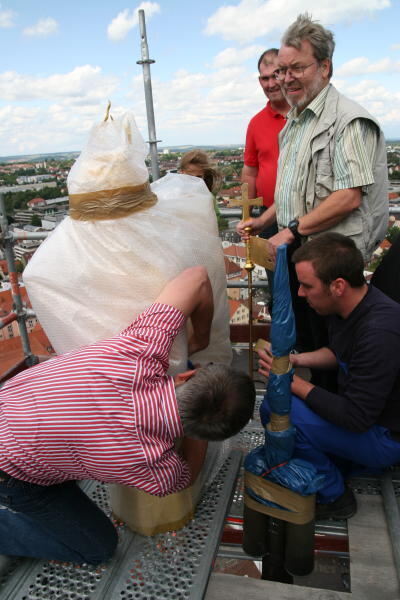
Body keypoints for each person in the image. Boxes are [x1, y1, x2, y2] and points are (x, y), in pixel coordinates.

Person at [0, 266, 255, 564]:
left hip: (11, 414)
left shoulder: (139, 352)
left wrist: (199, 340)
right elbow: (186, 477)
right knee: (98, 548)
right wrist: (198, 432)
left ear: (186, 376)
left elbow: (196, 276)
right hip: (12, 473)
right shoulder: (153, 464)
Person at [238, 13, 388, 382]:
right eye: (282, 69)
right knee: (303, 344)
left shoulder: (347, 121)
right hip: (301, 257)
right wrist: (268, 221)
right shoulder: (296, 121)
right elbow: (292, 193)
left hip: (330, 265)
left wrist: (289, 230)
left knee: (336, 356)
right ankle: (310, 423)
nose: (286, 78)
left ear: (325, 66)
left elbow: (348, 198)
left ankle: (340, 428)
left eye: (297, 68)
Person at [258, 234, 400, 519]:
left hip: (386, 438)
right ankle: (342, 462)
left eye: (307, 286)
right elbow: (339, 353)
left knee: (275, 407)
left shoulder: (379, 331)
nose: (300, 293)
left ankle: (335, 496)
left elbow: (355, 417)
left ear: (338, 286)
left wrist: (292, 382)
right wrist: (294, 360)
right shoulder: (355, 305)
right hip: (369, 423)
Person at [242, 48, 290, 239]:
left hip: (305, 212)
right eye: (264, 78)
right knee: (274, 269)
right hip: (268, 216)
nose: (270, 84)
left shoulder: (306, 115)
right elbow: (250, 172)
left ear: (287, 74)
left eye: (275, 76)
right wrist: (247, 215)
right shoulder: (256, 123)